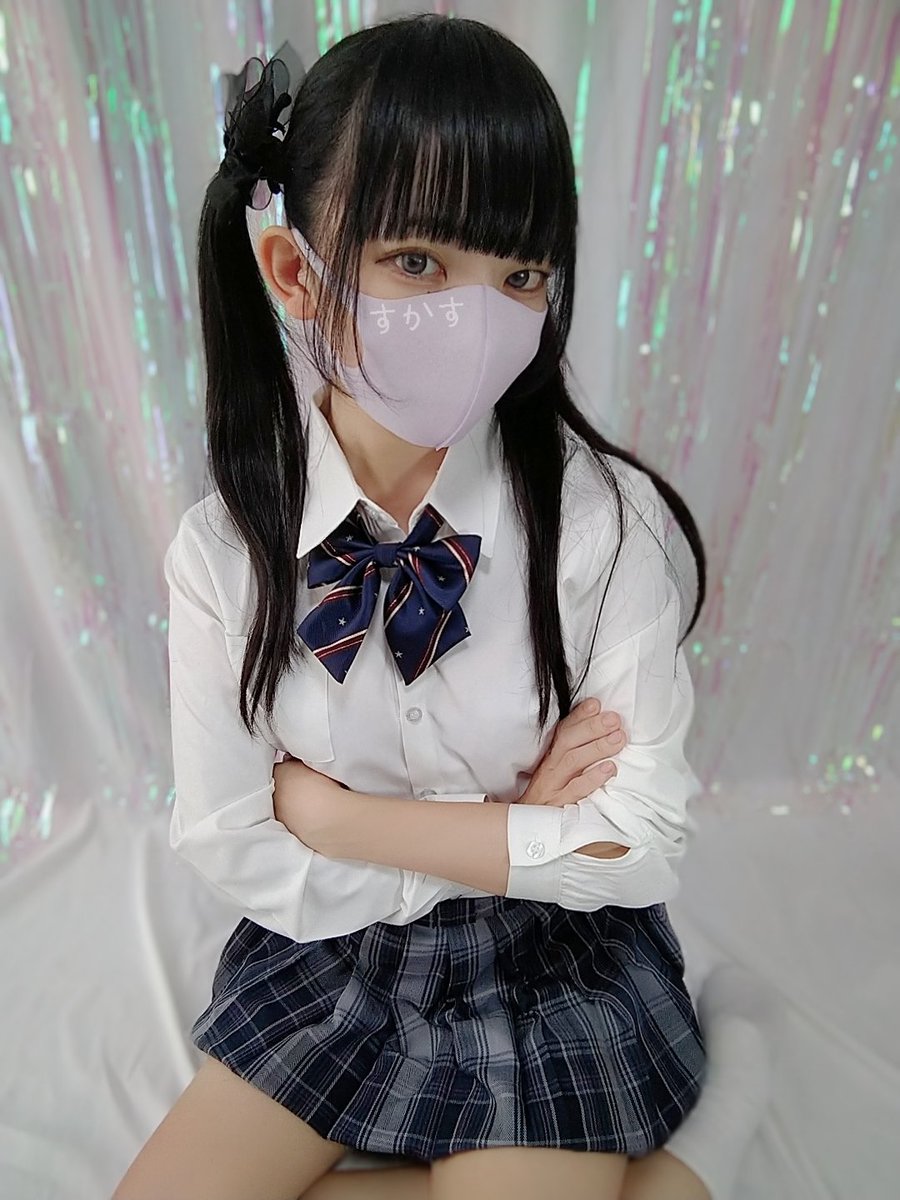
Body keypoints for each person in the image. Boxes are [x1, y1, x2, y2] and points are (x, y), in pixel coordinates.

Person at [112, 14, 781, 1200]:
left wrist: (338, 817)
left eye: (519, 274)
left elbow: (639, 844)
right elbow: (228, 840)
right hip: (337, 951)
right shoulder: (224, 554)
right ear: (296, 273)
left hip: (551, 962)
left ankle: (702, 1143)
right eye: (417, 261)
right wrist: (512, 828)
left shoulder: (599, 521)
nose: (477, 317)